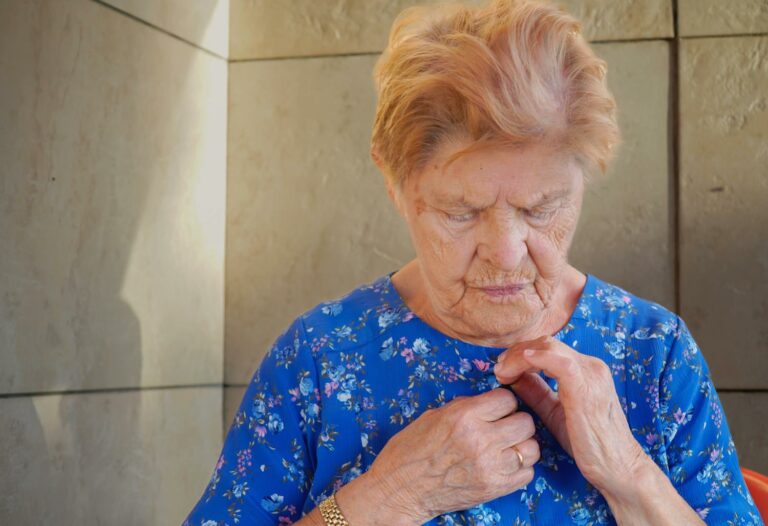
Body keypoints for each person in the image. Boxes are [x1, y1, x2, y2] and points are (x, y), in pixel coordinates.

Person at [184, 0, 763, 524]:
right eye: (460, 213)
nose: (507, 252)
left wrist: (630, 475)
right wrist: (388, 497)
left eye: (541, 208)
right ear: (394, 183)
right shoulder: (318, 359)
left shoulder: (654, 353)